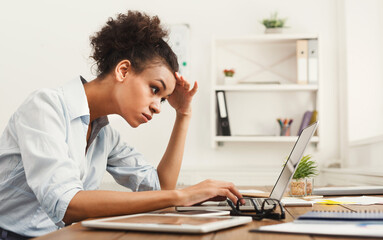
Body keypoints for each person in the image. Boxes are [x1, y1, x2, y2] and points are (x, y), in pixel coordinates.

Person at [0, 10, 244, 239]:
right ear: (123, 70)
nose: (158, 106)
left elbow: (159, 189)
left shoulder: (104, 136)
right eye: (155, 89)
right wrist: (182, 196)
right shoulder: (45, 107)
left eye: (163, 98)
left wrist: (183, 113)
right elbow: (67, 204)